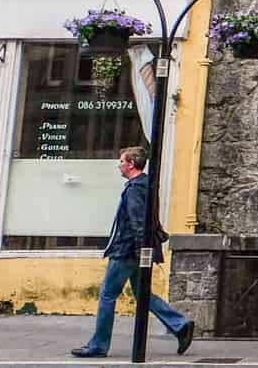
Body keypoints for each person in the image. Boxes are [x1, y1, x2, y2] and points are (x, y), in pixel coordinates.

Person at [71, 145, 195, 359]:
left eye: (121, 161)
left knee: (107, 295)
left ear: (131, 164)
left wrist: (140, 249)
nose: (118, 165)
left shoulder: (135, 188)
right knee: (142, 293)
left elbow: (138, 222)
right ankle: (180, 325)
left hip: (127, 250)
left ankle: (98, 345)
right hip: (136, 250)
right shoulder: (144, 184)